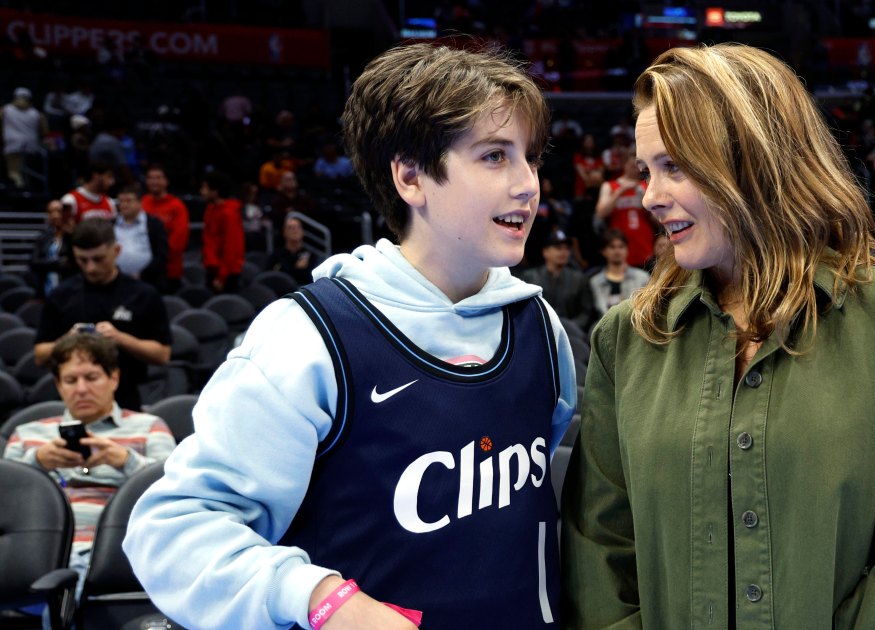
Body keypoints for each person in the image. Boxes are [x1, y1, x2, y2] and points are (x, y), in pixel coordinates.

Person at [124, 43, 576, 630]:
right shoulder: (308, 337)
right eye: (494, 156)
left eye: (531, 158)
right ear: (410, 175)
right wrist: (319, 599)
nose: (527, 185)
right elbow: (172, 529)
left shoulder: (540, 326)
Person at [561, 44, 875, 628]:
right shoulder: (626, 339)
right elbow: (600, 556)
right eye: (646, 170)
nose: (650, 195)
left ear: (753, 162)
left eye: (675, 167)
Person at [4, 333, 176, 609]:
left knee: (72, 571)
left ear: (114, 378)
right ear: (58, 386)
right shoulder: (27, 434)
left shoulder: (150, 427)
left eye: (92, 378)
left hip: (113, 548)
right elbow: (6, 503)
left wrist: (124, 461)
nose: (81, 389)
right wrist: (37, 462)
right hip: (38, 548)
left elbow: (174, 489)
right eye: (71, 381)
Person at [34, 218, 172, 411]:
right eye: (82, 260)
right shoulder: (60, 296)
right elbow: (40, 356)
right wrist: (69, 340)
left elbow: (162, 355)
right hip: (75, 398)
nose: (91, 267)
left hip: (126, 397)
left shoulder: (143, 295)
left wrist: (120, 338)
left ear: (116, 251)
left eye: (98, 259)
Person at [521, 228, 594, 331]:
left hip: (571, 333)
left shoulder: (579, 278)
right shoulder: (530, 277)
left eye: (567, 248)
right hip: (538, 330)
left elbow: (585, 312)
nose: (563, 252)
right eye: (558, 248)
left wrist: (569, 327)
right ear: (545, 252)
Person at [595, 153, 655, 268]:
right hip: (619, 245)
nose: (635, 169)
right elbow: (600, 213)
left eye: (638, 166)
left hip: (645, 244)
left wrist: (646, 203)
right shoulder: (610, 186)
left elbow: (658, 219)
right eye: (632, 165)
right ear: (625, 165)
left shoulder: (647, 185)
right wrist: (619, 192)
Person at [141, 165, 191, 293]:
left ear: (166, 181)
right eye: (150, 178)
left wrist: (158, 260)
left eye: (158, 178)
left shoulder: (177, 206)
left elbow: (179, 240)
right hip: (145, 270)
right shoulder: (142, 203)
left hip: (169, 271)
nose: (154, 181)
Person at [114, 183, 169, 291]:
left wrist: (143, 274)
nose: (124, 205)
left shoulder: (154, 224)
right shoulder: (111, 224)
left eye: (128, 201)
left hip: (149, 281)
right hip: (117, 283)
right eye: (121, 201)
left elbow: (162, 254)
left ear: (140, 202)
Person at [200, 170, 245, 294]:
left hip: (226, 274)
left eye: (204, 187)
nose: (201, 191)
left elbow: (232, 248)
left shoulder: (229, 214)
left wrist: (221, 277)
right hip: (212, 269)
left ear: (215, 190)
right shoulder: (210, 209)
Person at [589, 228, 650, 318]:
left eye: (621, 246)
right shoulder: (595, 281)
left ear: (627, 250)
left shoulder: (643, 278)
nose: (617, 251)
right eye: (612, 247)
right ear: (604, 251)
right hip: (604, 327)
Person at [29, 199, 76, 298]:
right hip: (45, 288)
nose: (54, 215)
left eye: (58, 211)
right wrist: (58, 263)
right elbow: (34, 262)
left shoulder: (73, 236)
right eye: (50, 212)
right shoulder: (43, 237)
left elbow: (74, 263)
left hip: (68, 288)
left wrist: (71, 235)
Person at [2, 86, 47, 188]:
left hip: (12, 145)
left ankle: (19, 189)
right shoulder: (36, 113)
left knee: (14, 171)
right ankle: (28, 186)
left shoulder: (6, 109)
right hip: (32, 146)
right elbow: (44, 131)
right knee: (27, 169)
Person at [268, 215, 324, 286]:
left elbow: (312, 278)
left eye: (297, 227)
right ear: (284, 232)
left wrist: (283, 269)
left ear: (303, 232)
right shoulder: (276, 255)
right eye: (290, 227)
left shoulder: (310, 255)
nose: (295, 230)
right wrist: (298, 269)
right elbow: (269, 278)